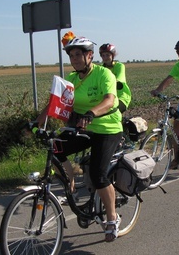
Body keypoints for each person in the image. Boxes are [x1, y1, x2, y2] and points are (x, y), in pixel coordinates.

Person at [36, 36, 123, 242]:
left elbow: (110, 100)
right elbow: (55, 103)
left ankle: (112, 218)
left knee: (98, 175)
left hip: (107, 128)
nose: (74, 59)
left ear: (89, 55)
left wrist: (91, 113)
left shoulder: (104, 74)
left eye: (78, 54)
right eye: (71, 55)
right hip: (83, 129)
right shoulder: (72, 79)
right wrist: (37, 122)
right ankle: (71, 182)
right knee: (56, 147)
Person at [99, 43, 131, 113]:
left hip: (121, 97)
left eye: (108, 55)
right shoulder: (101, 68)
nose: (105, 58)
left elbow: (119, 80)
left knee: (110, 112)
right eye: (103, 55)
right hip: (108, 97)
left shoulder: (119, 66)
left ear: (113, 56)